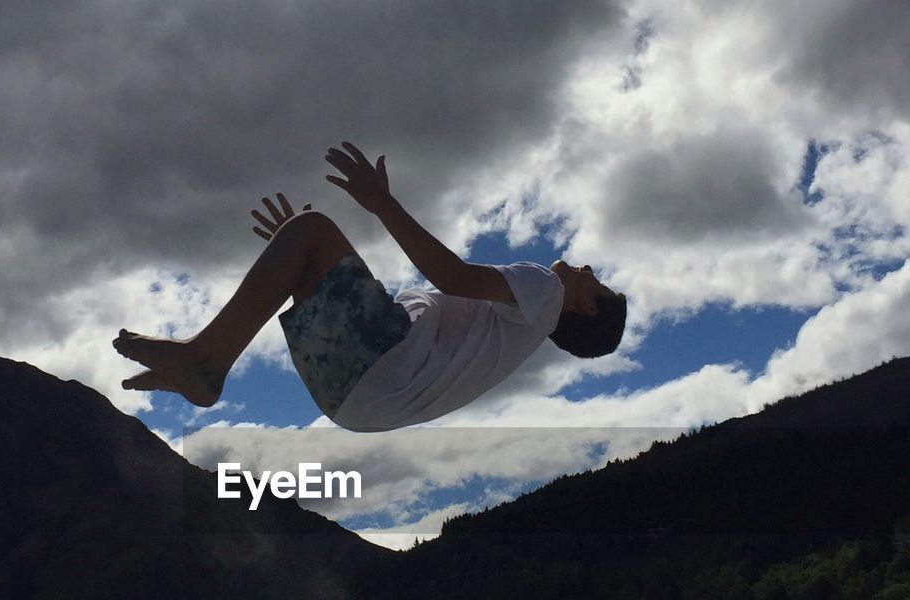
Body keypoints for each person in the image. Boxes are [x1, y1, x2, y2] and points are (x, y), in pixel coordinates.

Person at [114, 142, 626, 431]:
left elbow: (452, 277)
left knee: (313, 230)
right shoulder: (516, 333)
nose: (584, 269)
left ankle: (204, 361)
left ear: (583, 307)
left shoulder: (545, 290)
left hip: (388, 358)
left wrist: (382, 203)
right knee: (304, 238)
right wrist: (293, 260)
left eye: (595, 280)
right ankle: (203, 361)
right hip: (352, 403)